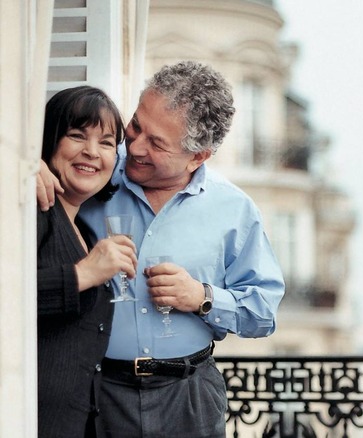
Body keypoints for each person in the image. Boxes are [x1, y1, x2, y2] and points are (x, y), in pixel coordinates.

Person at [39, 61, 285, 437]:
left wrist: (202, 297)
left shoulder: (234, 210)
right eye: (136, 125)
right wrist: (26, 166)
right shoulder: (94, 170)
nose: (133, 147)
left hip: (189, 396)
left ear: (198, 156)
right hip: (96, 392)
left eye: (156, 143)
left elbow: (262, 313)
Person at [37, 86, 138, 438]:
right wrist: (82, 275)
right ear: (49, 140)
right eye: (77, 135)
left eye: (107, 143)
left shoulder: (85, 230)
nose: (92, 152)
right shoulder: (31, 212)